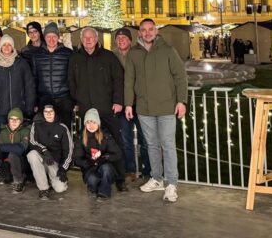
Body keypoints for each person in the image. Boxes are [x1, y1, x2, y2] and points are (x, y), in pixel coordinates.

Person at [125, 18, 188, 203]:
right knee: (151, 144)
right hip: (144, 108)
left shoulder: (168, 50)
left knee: (168, 145)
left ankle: (172, 183)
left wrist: (181, 101)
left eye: (150, 29)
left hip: (167, 106)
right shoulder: (133, 53)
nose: (147, 33)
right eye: (144, 30)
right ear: (139, 33)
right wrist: (128, 104)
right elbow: (129, 80)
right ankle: (157, 178)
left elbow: (180, 76)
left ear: (156, 31)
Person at [68, 26, 126, 192]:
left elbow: (118, 79)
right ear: (81, 40)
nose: (88, 40)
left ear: (96, 39)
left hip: (107, 108)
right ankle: (91, 177)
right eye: (85, 38)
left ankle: (120, 179)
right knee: (87, 144)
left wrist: (118, 101)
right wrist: (75, 100)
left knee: (116, 142)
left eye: (91, 37)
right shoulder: (75, 58)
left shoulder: (108, 56)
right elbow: (71, 81)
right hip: (86, 110)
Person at [111, 27, 150, 182]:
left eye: (124, 38)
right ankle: (130, 170)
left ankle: (148, 171)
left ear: (130, 40)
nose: (121, 40)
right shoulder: (112, 56)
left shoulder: (138, 53)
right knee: (125, 139)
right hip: (122, 104)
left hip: (139, 103)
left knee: (145, 138)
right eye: (118, 38)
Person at [0, 35, 36, 133]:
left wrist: (29, 108)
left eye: (9, 45)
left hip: (19, 110)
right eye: (4, 45)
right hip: (0, 111)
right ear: (0, 47)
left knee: (19, 138)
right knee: (2, 138)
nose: (7, 47)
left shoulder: (21, 63)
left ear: (13, 47)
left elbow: (29, 87)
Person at [73, 109, 126, 201]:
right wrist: (87, 162)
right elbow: (76, 158)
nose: (91, 125)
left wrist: (104, 158)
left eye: (94, 122)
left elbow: (117, 153)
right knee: (92, 181)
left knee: (106, 168)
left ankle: (104, 193)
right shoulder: (80, 136)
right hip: (90, 169)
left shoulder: (106, 135)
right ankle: (95, 185)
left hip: (105, 166)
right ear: (85, 124)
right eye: (88, 122)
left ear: (98, 123)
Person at [31, 22, 74, 129]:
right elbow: (34, 79)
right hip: (45, 98)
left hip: (64, 98)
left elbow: (73, 78)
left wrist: (74, 100)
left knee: (64, 128)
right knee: (46, 128)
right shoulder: (37, 55)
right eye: (48, 36)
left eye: (54, 36)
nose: (51, 39)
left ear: (58, 37)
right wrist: (35, 101)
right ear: (44, 38)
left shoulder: (68, 53)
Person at [28, 105, 73, 200]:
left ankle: (51, 180)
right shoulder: (36, 124)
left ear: (55, 112)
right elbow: (32, 142)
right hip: (41, 158)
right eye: (46, 111)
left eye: (51, 111)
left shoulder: (62, 127)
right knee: (32, 154)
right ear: (42, 113)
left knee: (60, 188)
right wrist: (45, 151)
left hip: (54, 162)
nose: (48, 114)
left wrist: (63, 169)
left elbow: (69, 150)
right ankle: (43, 188)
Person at [0, 107, 31, 193]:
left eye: (17, 119)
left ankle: (19, 181)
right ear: (8, 120)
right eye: (12, 119)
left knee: (13, 154)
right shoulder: (4, 132)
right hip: (9, 161)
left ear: (21, 121)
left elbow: (21, 148)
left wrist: (2, 147)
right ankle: (9, 177)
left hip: (22, 161)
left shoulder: (26, 131)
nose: (14, 121)